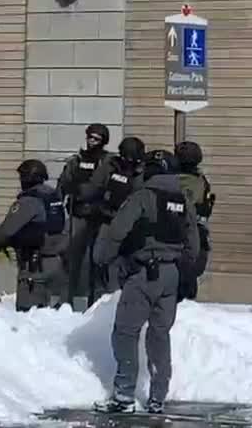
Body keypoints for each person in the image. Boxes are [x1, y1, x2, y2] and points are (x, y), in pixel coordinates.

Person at [92, 149, 200, 414]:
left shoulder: (142, 197)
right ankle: (157, 397)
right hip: (171, 275)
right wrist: (184, 271)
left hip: (143, 273)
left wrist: (102, 259)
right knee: (160, 334)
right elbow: (193, 242)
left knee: (126, 333)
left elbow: (117, 231)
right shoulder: (183, 199)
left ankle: (124, 396)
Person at [0, 159, 67, 311]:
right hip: (57, 265)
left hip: (34, 267)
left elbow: (5, 232)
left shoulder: (29, 201)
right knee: (53, 319)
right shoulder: (53, 196)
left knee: (28, 318)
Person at [81, 136, 147, 299]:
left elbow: (91, 189)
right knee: (109, 263)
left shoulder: (113, 166)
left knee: (104, 262)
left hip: (116, 223)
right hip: (120, 223)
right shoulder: (129, 168)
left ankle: (105, 300)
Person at [57, 123, 113, 311]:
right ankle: (67, 302)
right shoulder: (76, 161)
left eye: (96, 139)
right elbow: (62, 185)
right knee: (70, 258)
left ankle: (94, 305)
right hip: (78, 215)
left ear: (103, 141)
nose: (91, 141)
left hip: (99, 218)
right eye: (89, 137)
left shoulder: (108, 162)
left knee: (95, 262)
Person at [175, 140, 217, 301]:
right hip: (191, 231)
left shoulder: (175, 178)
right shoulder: (197, 180)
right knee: (189, 276)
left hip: (184, 232)